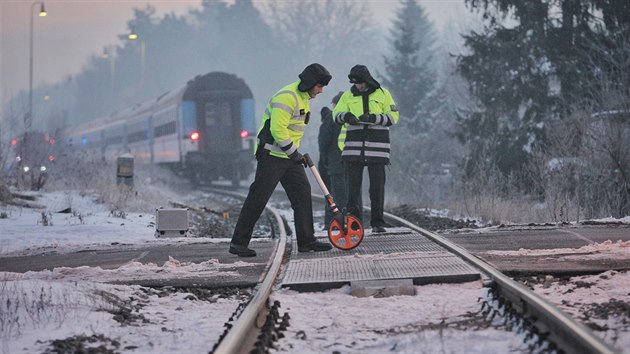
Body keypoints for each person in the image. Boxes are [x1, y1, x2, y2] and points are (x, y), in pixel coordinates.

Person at [229, 63, 334, 257]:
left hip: (288, 156)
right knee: (258, 198)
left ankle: (306, 241)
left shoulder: (303, 97)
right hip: (272, 156)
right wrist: (294, 153)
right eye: (319, 86)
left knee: (302, 194)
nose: (320, 91)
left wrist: (293, 154)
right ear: (311, 83)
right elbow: (278, 130)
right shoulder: (287, 97)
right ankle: (238, 243)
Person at [332, 64, 399, 233]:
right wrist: (346, 116)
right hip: (353, 150)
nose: (358, 86)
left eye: (360, 83)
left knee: (377, 188)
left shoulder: (383, 94)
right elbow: (336, 114)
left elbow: (394, 116)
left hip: (378, 149)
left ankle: (378, 223)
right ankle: (355, 224)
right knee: (352, 190)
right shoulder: (347, 96)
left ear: (367, 80)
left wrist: (374, 118)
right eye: (355, 84)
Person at [318, 91, 362, 228]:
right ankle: (355, 224)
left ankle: (335, 224)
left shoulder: (331, 118)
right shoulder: (356, 118)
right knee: (355, 195)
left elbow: (323, 141)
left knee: (336, 197)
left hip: (336, 164)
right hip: (354, 163)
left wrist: (324, 161)